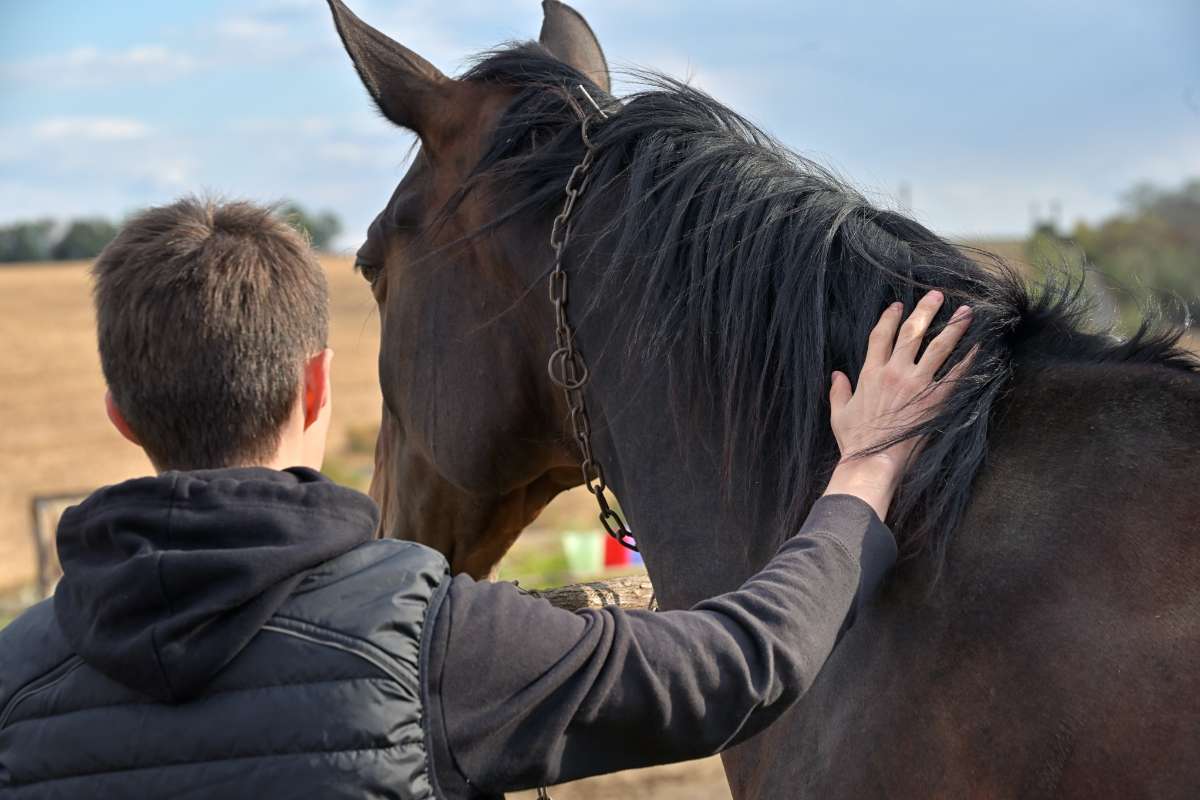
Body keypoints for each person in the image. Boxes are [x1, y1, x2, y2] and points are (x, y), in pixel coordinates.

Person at [0, 198, 971, 799]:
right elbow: (741, 659)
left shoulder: (16, 679)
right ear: (317, 387)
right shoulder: (434, 641)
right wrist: (864, 472)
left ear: (120, 414)